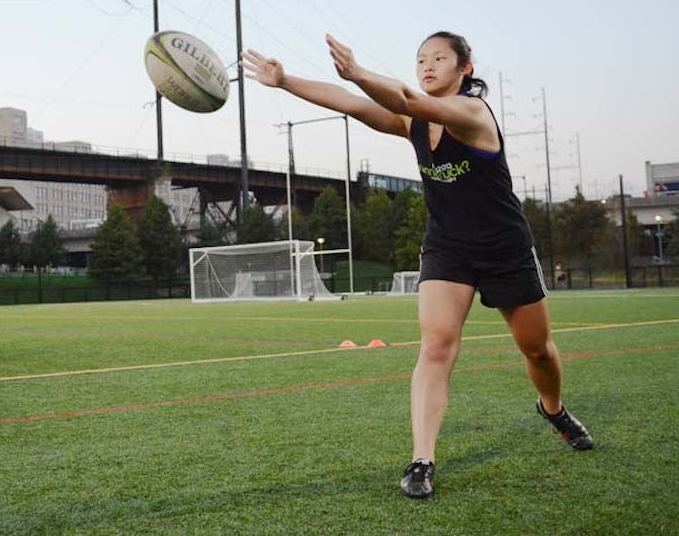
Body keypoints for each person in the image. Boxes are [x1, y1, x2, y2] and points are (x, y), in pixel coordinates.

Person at [241, 31, 594, 500]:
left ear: (464, 68)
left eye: (438, 59)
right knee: (436, 346)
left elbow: (402, 96)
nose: (426, 67)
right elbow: (349, 102)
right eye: (420, 59)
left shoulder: (472, 113)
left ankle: (552, 408)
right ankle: (421, 460)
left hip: (505, 247)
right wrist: (285, 81)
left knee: (537, 351)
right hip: (448, 246)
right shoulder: (411, 122)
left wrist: (361, 71)